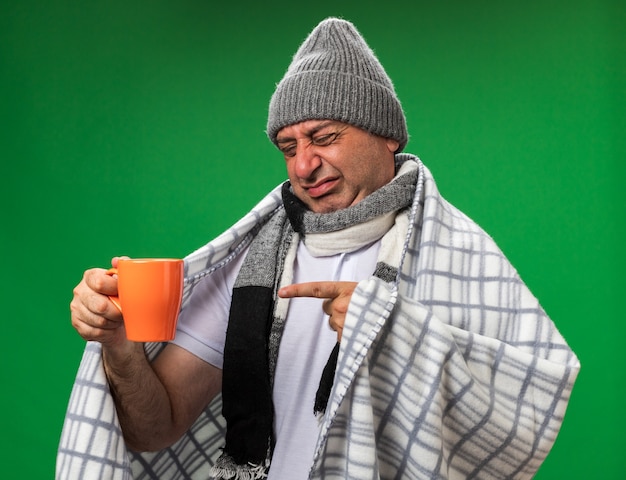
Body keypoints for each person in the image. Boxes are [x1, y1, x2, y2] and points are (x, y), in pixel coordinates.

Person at [58, 17, 579, 480]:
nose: (303, 165)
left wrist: (393, 331)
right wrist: (120, 344)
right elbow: (157, 427)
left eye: (323, 136)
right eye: (289, 147)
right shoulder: (253, 266)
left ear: (387, 135)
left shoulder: (463, 258)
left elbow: (525, 424)